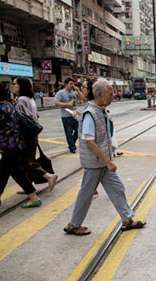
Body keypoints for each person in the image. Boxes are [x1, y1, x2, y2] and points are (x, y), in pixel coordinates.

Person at [64, 78, 146, 235]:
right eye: (110, 94)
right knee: (86, 194)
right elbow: (89, 141)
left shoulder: (99, 110)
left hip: (101, 161)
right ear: (100, 95)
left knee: (117, 188)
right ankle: (74, 224)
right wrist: (107, 161)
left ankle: (127, 219)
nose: (112, 96)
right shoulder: (90, 113)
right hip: (96, 162)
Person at [0, 80, 42, 208]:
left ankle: (33, 197)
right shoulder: (8, 105)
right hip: (15, 144)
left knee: (15, 171)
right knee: (3, 171)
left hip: (7, 145)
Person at [13, 78, 58, 193]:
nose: (12, 86)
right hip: (33, 133)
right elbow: (36, 116)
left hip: (26, 135)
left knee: (26, 162)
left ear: (21, 86)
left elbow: (19, 119)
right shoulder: (30, 99)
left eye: (15, 84)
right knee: (29, 159)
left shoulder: (22, 100)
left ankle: (48, 176)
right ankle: (28, 187)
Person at [54, 78, 85, 153]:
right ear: (66, 84)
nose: (72, 85)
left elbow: (83, 98)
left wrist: (78, 90)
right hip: (66, 116)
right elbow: (56, 103)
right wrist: (66, 104)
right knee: (69, 132)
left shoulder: (74, 92)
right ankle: (72, 147)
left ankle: (72, 143)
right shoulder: (61, 93)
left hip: (74, 114)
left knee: (78, 130)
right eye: (70, 84)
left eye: (73, 84)